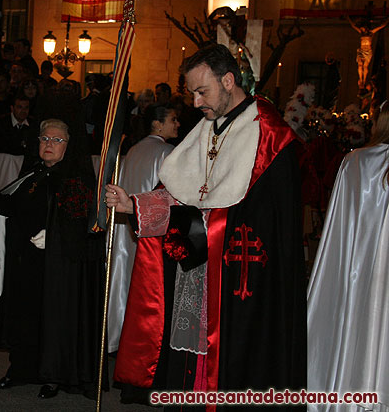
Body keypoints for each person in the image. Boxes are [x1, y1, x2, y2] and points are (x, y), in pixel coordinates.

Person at [104, 44, 306, 408]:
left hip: (243, 277)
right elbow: (179, 194)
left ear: (228, 80)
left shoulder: (269, 134)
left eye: (203, 91)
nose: (196, 103)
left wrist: (212, 226)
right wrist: (133, 205)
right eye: (192, 93)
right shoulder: (207, 128)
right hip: (200, 268)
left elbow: (272, 222)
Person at [0, 118, 105, 399]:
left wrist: (53, 236)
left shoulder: (76, 179)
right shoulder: (33, 175)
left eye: (56, 140)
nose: (49, 144)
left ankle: (53, 376)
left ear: (68, 146)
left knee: (51, 320)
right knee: (23, 317)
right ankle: (20, 371)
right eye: (44, 139)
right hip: (25, 262)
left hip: (57, 266)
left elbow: (84, 223)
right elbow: (11, 207)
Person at [307, 102, 389, 412]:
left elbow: (339, 233)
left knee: (358, 323)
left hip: (361, 271)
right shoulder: (355, 162)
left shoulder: (357, 162)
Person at [107, 104, 178, 353]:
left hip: (128, 224)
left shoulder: (135, 150)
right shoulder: (167, 152)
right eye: (173, 119)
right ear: (157, 124)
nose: (177, 124)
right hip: (151, 226)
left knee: (125, 277)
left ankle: (119, 336)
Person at [347, 15, 389, 90]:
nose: (362, 29)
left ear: (365, 29)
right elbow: (354, 26)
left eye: (363, 28)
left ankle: (364, 80)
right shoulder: (361, 33)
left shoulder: (371, 33)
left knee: (365, 66)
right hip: (361, 50)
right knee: (360, 66)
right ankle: (361, 80)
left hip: (367, 51)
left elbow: (380, 27)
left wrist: (386, 22)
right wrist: (348, 19)